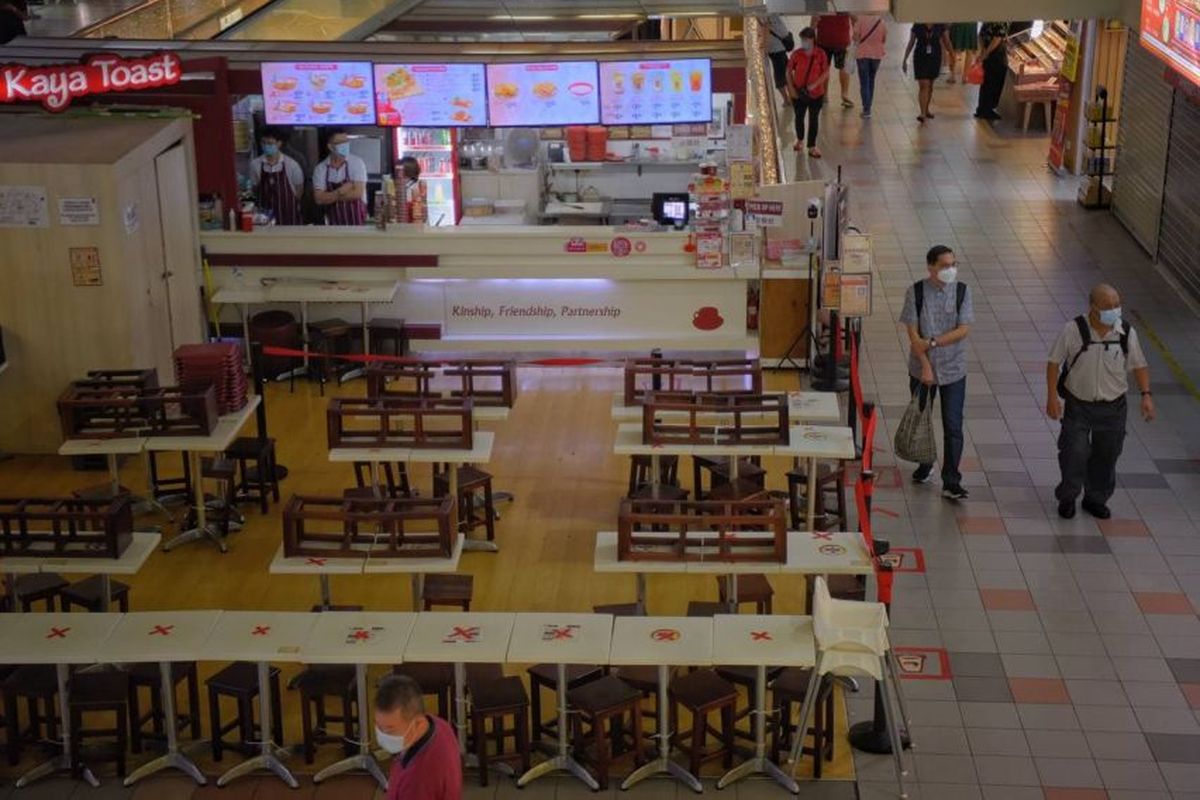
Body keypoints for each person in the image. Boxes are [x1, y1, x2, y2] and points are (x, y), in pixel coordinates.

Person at [1046, 284, 1154, 520]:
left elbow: (1139, 364)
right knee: (1074, 452)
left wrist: (1146, 395)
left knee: (1107, 455)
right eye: (1108, 306)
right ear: (1092, 306)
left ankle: (1095, 499)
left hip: (1113, 408)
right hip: (1079, 405)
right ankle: (1068, 496)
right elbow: (1054, 362)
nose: (1114, 310)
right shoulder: (1073, 330)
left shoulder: (1126, 332)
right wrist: (1052, 397)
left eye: (1117, 305)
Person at [899, 245, 974, 501]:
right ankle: (925, 462)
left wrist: (933, 342)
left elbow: (963, 329)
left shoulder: (962, 291)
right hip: (921, 369)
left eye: (953, 264)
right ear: (931, 267)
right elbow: (913, 334)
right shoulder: (916, 292)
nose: (950, 270)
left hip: (954, 369)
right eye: (944, 266)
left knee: (953, 425)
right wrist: (926, 365)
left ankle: (951, 480)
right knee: (922, 419)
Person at [375, 674, 462, 800]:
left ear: (418, 723)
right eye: (378, 726)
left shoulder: (417, 779)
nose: (382, 735)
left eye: (390, 729)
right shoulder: (440, 725)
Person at [787, 27, 830, 158]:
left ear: (812, 40)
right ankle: (800, 139)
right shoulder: (797, 54)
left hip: (816, 94)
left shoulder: (820, 54)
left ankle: (812, 146)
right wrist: (791, 89)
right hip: (799, 93)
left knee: (814, 119)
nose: (803, 42)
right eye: (802, 39)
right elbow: (788, 72)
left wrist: (815, 85)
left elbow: (826, 72)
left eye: (805, 39)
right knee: (799, 117)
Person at [249, 128, 304, 226]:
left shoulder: (292, 165)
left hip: (288, 216)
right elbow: (255, 188)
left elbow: (299, 190)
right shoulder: (255, 165)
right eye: (263, 143)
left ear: (279, 143)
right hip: (264, 218)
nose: (266, 146)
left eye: (270, 143)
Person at [314, 129, 368, 225]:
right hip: (333, 225)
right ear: (330, 146)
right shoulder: (320, 168)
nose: (345, 145)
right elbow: (318, 199)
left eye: (346, 142)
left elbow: (357, 193)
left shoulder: (357, 163)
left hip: (357, 224)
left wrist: (328, 197)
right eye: (341, 143)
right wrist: (341, 191)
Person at [902, 23, 952, 123]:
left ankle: (926, 109)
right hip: (920, 58)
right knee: (924, 85)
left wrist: (952, 54)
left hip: (935, 58)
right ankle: (922, 113)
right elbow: (911, 42)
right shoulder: (918, 25)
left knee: (930, 85)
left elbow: (947, 41)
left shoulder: (939, 25)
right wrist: (905, 58)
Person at [811, 11, 854, 108]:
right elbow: (854, 17)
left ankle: (824, 95)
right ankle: (844, 94)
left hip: (824, 38)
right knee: (843, 67)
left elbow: (815, 17)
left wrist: (811, 32)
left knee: (824, 68)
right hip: (841, 39)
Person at [852, 13, 886, 118]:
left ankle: (866, 109)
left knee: (864, 82)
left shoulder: (860, 20)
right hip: (877, 55)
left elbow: (855, 38)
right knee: (871, 80)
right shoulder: (881, 22)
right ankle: (868, 107)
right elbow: (884, 40)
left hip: (862, 54)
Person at [974, 21, 1010, 121]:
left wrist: (983, 51)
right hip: (997, 55)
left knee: (986, 82)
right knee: (995, 82)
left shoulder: (988, 20)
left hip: (988, 53)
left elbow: (981, 35)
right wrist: (987, 52)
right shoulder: (1002, 22)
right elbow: (997, 39)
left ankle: (982, 108)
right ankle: (988, 109)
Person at [765, 13, 795, 108]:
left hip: (776, 48)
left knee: (782, 75)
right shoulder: (770, 13)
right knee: (785, 74)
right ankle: (789, 98)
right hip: (778, 47)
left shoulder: (764, 14)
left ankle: (788, 99)